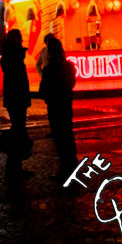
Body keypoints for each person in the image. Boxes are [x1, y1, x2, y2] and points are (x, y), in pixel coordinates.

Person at [39, 36, 77, 182]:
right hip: (66, 104)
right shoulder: (69, 66)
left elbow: (43, 90)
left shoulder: (48, 70)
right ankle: (72, 164)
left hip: (54, 106)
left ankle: (65, 168)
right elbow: (71, 83)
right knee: (68, 135)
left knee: (60, 138)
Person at [0, 28, 32, 184]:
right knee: (18, 129)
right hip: (17, 96)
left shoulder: (8, 54)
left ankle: (14, 166)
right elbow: (17, 75)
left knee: (17, 129)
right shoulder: (14, 55)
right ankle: (14, 167)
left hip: (14, 96)